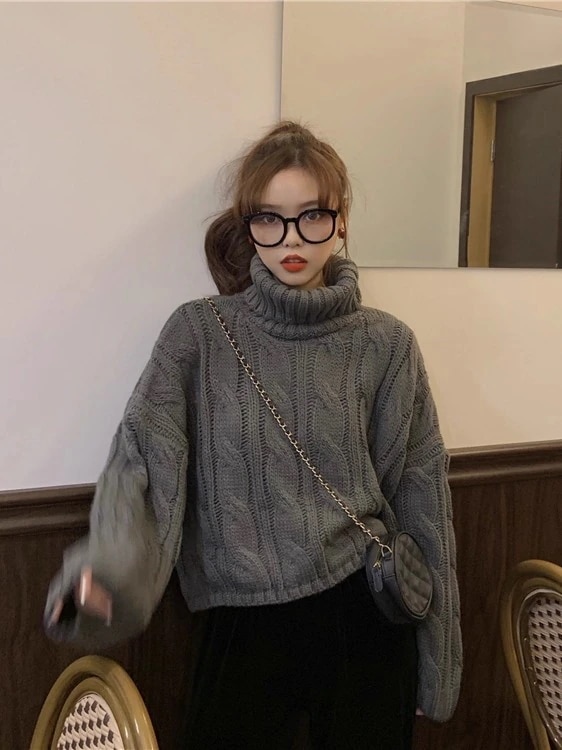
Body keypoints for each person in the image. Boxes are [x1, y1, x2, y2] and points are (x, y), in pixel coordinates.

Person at [44, 121, 462, 749]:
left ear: (341, 223)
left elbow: (422, 500)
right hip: (241, 629)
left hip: (365, 617)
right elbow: (142, 466)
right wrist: (107, 571)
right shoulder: (198, 334)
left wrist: (438, 664)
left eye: (311, 216)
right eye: (270, 219)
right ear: (248, 227)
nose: (290, 238)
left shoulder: (388, 345)